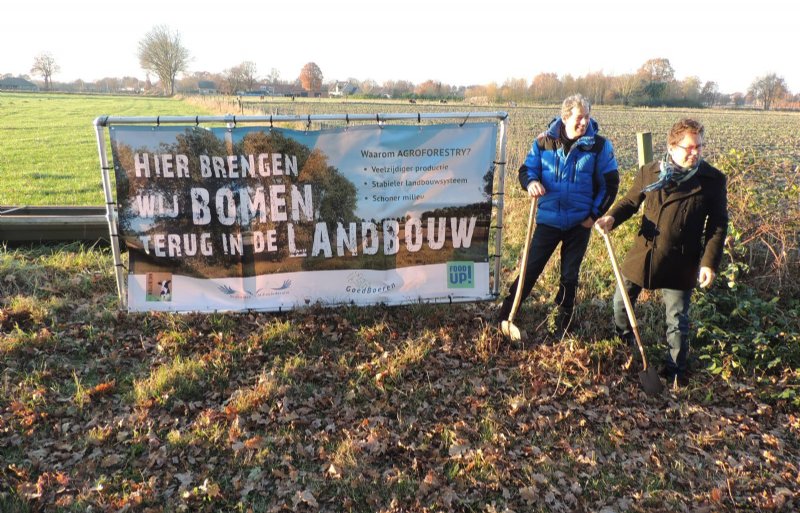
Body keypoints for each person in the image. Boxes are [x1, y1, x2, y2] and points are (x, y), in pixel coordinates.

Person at [595, 118, 728, 387]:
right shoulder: (650, 172)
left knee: (677, 320)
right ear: (672, 146)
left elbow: (717, 225)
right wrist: (611, 218)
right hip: (644, 254)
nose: (696, 152)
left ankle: (675, 371)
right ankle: (625, 344)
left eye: (699, 147)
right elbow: (631, 202)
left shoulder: (712, 180)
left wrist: (708, 263)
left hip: (682, 260)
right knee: (621, 303)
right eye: (690, 147)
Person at [499, 94, 619, 334]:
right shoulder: (543, 142)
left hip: (579, 222)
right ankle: (506, 315)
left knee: (569, 274)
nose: (584, 122)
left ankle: (561, 321)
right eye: (579, 117)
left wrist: (593, 215)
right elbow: (527, 170)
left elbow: (610, 184)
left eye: (587, 117)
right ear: (565, 117)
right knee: (531, 268)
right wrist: (531, 182)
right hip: (549, 219)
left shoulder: (598, 146)